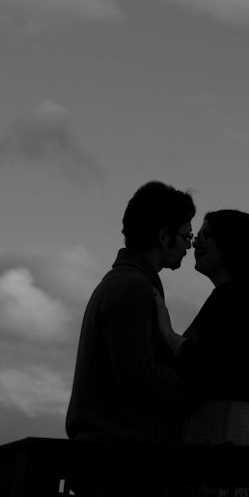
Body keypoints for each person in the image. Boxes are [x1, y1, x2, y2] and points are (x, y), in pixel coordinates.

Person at [155, 209, 249, 497]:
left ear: (231, 243)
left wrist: (167, 334)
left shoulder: (233, 297)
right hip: (245, 428)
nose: (196, 243)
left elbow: (212, 366)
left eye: (206, 235)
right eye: (195, 236)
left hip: (226, 429)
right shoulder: (243, 297)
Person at [65, 181, 196, 442]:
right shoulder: (132, 287)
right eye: (186, 237)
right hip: (116, 463)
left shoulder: (123, 282)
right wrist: (194, 380)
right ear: (164, 236)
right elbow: (138, 377)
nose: (189, 247)